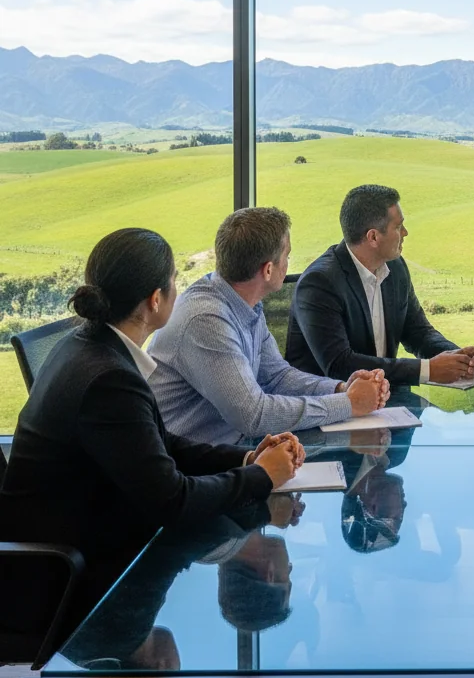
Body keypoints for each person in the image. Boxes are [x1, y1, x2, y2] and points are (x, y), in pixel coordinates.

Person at [0, 227, 301, 632]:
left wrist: (246, 458)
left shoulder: (88, 346)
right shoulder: (108, 377)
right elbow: (171, 502)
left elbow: (159, 443)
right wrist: (260, 477)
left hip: (94, 534)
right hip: (81, 575)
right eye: (175, 281)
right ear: (155, 300)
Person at [150, 207, 388, 446]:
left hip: (227, 453)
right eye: (287, 255)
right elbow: (253, 416)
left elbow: (277, 377)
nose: (288, 263)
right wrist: (349, 404)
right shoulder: (206, 321)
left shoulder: (244, 302)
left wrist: (340, 388)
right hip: (188, 468)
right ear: (268, 270)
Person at [286, 185, 474, 386]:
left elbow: (418, 332)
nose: (406, 233)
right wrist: (428, 370)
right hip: (330, 407)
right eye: (398, 227)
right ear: (373, 237)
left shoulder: (395, 267)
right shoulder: (320, 283)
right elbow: (339, 364)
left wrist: (456, 358)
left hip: (384, 401)